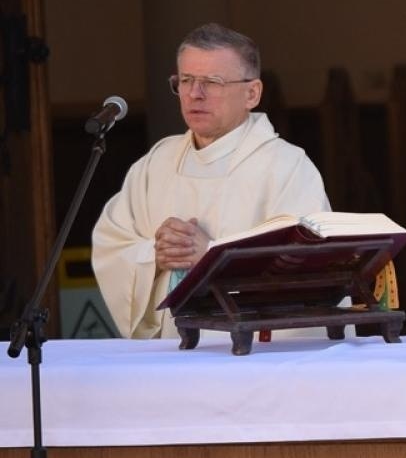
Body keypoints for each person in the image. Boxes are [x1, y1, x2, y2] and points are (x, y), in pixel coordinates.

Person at [92, 23, 329, 338]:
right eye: (186, 80)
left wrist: (213, 257)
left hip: (251, 358)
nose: (194, 94)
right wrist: (155, 255)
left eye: (211, 82)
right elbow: (113, 244)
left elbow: (307, 269)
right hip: (169, 355)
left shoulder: (286, 167)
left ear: (252, 93)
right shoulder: (156, 164)